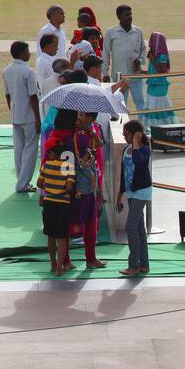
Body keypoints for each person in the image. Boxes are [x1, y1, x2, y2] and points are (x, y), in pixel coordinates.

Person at [3, 41, 41, 194]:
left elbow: (7, 95)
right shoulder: (28, 72)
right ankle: (22, 184)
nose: (29, 53)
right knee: (30, 149)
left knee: (19, 149)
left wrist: (12, 110)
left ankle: (21, 181)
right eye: (27, 51)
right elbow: (33, 97)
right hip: (29, 116)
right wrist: (38, 119)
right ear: (21, 53)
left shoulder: (6, 70)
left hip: (16, 114)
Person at [71, 111, 106, 268]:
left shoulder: (90, 131)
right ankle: (65, 261)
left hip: (87, 183)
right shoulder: (71, 130)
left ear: (91, 118)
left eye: (84, 115)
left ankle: (91, 259)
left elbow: (99, 144)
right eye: (80, 114)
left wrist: (89, 130)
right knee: (70, 222)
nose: (80, 116)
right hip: (73, 182)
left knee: (91, 220)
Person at [117, 119, 152, 277]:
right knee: (139, 228)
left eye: (127, 134)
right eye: (124, 134)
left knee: (130, 226)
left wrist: (137, 142)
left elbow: (138, 161)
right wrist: (120, 194)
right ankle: (144, 264)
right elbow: (123, 174)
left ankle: (134, 265)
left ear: (136, 135)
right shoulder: (126, 150)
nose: (125, 137)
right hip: (131, 193)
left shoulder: (144, 150)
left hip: (142, 192)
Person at [38, 140, 75, 276]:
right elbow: (70, 187)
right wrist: (62, 189)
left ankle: (53, 264)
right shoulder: (68, 167)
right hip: (63, 205)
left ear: (52, 153)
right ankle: (60, 267)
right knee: (63, 238)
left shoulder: (46, 165)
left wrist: (49, 189)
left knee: (51, 236)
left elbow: (39, 183)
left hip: (49, 204)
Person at [103, 5, 146, 86]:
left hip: (135, 75)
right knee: (120, 99)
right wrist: (105, 73)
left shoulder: (138, 31)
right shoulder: (111, 32)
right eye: (126, 15)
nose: (130, 17)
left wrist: (140, 60)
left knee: (139, 99)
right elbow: (105, 53)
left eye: (130, 14)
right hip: (119, 76)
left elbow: (143, 49)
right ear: (119, 17)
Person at [142, 31, 175, 124]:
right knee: (152, 107)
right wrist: (141, 71)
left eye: (151, 40)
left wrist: (153, 60)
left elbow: (162, 71)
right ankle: (152, 127)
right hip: (152, 86)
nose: (148, 42)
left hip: (158, 87)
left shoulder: (162, 56)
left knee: (156, 108)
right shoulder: (153, 54)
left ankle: (159, 126)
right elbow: (152, 72)